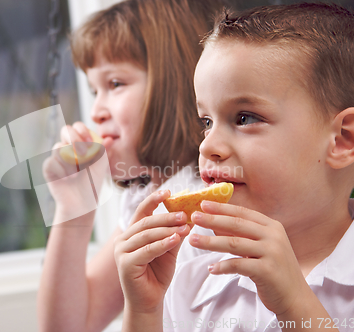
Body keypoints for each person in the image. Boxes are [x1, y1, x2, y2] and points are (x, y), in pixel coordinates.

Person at [114, 3, 354, 331]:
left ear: (343, 140)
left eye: (244, 118)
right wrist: (144, 311)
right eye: (206, 121)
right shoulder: (192, 274)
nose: (207, 146)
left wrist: (295, 304)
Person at [37, 1, 224, 331]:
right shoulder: (144, 199)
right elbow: (70, 326)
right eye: (95, 89)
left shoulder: (212, 205)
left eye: (115, 84)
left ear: (176, 85)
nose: (96, 111)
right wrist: (74, 207)